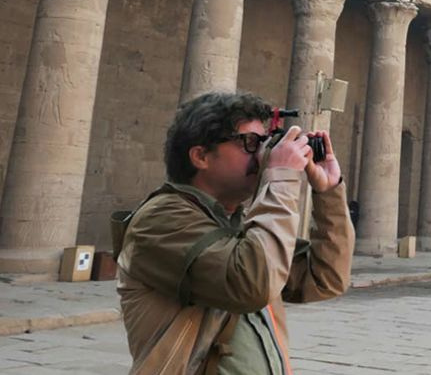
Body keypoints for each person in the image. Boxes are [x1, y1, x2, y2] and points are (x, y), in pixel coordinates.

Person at [116, 92, 355, 373]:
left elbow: (324, 278)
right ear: (201, 156)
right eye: (250, 142)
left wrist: (328, 193)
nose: (262, 154)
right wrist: (280, 176)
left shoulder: (236, 225)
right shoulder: (160, 221)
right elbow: (251, 284)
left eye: (264, 141)